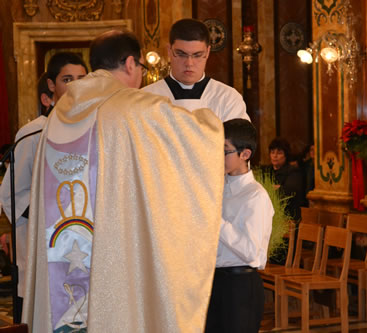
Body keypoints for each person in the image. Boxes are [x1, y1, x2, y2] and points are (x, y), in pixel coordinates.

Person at [23, 30, 224, 333]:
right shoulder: (135, 108)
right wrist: (212, 121)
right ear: (131, 63)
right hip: (113, 255)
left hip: (63, 251)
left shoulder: (62, 112)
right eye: (142, 67)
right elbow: (200, 139)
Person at [0, 55, 87, 318]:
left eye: (82, 80)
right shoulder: (34, 134)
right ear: (51, 85)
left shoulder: (93, 128)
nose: (75, 87)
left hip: (83, 238)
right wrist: (50, 217)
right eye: (67, 79)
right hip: (44, 237)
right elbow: (12, 193)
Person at [205, 118, 273, 333]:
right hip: (214, 281)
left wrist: (216, 220)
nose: (218, 156)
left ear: (245, 154)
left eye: (225, 150)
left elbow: (251, 251)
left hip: (240, 285)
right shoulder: (218, 187)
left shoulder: (255, 197)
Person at [142, 18, 249, 122]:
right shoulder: (146, 98)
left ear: (207, 52)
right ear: (169, 51)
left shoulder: (227, 98)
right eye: (181, 54)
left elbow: (239, 139)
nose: (189, 63)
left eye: (197, 55)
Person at [263, 137, 306, 221]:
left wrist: (271, 189)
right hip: (269, 216)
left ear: (286, 155)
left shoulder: (293, 171)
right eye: (272, 152)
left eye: (279, 153)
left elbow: (287, 193)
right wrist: (276, 187)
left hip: (288, 217)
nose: (275, 156)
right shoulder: (266, 171)